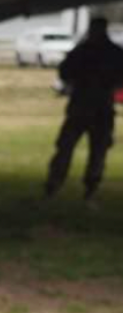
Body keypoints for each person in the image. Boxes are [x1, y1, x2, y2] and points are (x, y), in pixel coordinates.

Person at [44, 17, 123, 201]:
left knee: (76, 148)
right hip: (98, 107)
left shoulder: (83, 51)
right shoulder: (111, 53)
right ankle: (85, 187)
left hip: (85, 106)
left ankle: (58, 185)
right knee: (93, 150)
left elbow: (64, 72)